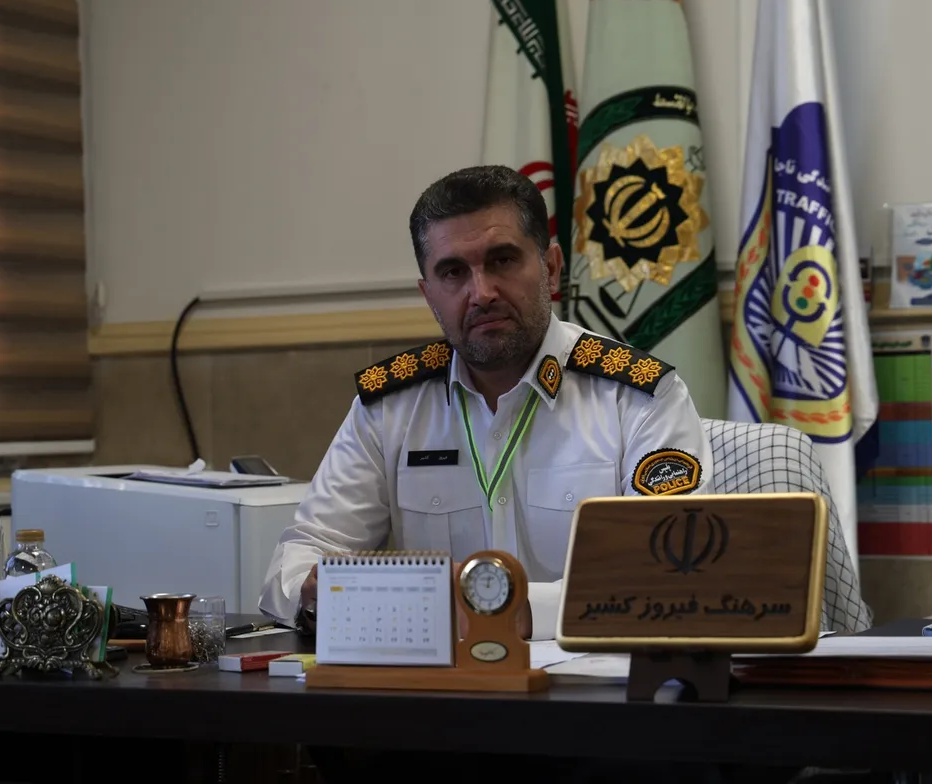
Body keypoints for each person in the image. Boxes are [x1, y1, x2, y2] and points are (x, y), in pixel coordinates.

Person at [259, 164, 713, 642]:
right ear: (428, 294)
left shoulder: (637, 397)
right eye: (453, 272)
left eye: (502, 260)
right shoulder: (390, 408)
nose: (482, 293)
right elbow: (300, 559)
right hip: (438, 682)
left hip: (588, 681)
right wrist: (318, 596)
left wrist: (504, 608)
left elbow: (672, 573)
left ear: (551, 268)